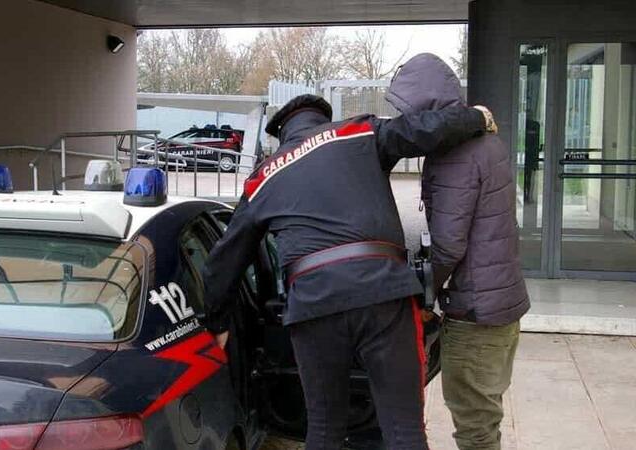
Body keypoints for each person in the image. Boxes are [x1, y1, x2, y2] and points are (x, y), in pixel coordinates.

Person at [198, 93, 497, 450]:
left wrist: (217, 323)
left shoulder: (263, 177)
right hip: (384, 294)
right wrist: (476, 118)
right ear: (324, 119)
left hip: (313, 308)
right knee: (405, 432)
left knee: (324, 430)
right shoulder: (358, 133)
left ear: (282, 134)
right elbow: (421, 129)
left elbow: (223, 261)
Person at [387, 53, 530, 450]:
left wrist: (421, 291)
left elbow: (449, 244)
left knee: (474, 427)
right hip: (503, 302)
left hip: (476, 313)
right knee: (486, 413)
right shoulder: (486, 140)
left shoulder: (455, 154)